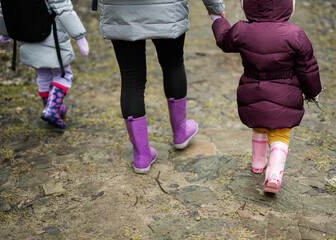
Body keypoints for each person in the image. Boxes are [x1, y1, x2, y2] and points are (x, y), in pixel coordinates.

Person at [98, 0, 225, 174]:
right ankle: (180, 132)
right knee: (173, 65)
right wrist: (215, 7)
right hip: (167, 8)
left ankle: (141, 155)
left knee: (131, 79)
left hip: (120, 11)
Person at [210, 0, 322, 193]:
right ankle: (274, 175)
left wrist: (217, 19)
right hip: (285, 93)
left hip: (252, 89)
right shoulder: (295, 34)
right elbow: (308, 68)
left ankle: (258, 163)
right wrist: (313, 92)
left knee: (258, 123)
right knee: (280, 133)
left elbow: (223, 40)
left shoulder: (242, 30)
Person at [0, 0, 89, 129]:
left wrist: (4, 32)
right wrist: (79, 36)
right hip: (52, 37)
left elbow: (4, 9)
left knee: (43, 76)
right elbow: (63, 8)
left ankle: (53, 108)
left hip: (25, 37)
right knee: (63, 74)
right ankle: (51, 110)